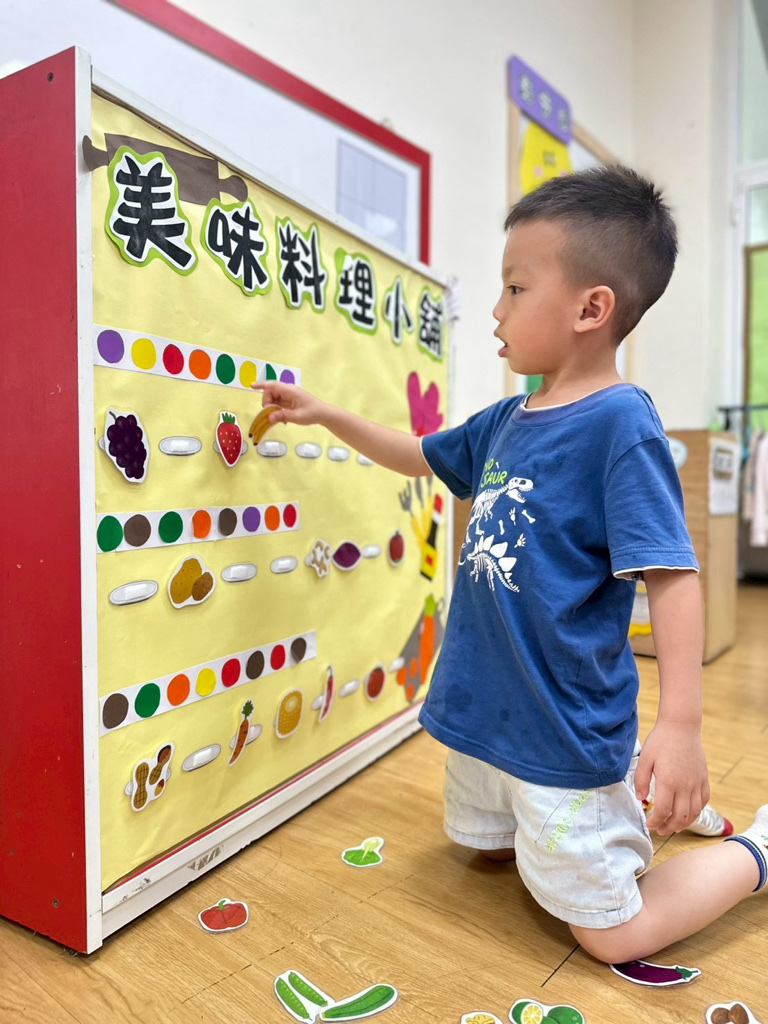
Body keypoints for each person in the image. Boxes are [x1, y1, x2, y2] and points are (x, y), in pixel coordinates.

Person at [253, 165, 768, 963]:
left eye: (516, 288)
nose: (496, 309)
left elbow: (672, 577)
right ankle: (639, 792)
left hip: (563, 728)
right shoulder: (504, 420)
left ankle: (755, 848)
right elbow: (418, 454)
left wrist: (683, 726)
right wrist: (326, 414)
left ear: (592, 309)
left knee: (612, 934)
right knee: (485, 850)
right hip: (485, 714)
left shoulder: (621, 423)